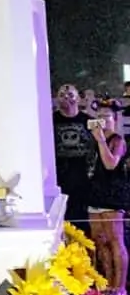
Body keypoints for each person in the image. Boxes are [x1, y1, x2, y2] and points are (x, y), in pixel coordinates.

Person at [88, 101, 129, 295]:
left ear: (115, 119)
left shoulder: (117, 140)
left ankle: (120, 287)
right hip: (95, 193)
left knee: (115, 241)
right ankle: (107, 284)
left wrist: (101, 140)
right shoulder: (95, 139)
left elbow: (111, 164)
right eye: (100, 116)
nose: (103, 120)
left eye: (107, 116)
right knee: (99, 241)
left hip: (112, 195)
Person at [53, 83, 94, 229]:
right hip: (59, 176)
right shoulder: (51, 121)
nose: (66, 98)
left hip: (83, 176)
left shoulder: (88, 120)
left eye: (70, 95)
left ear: (78, 98)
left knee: (82, 220)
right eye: (62, 95)